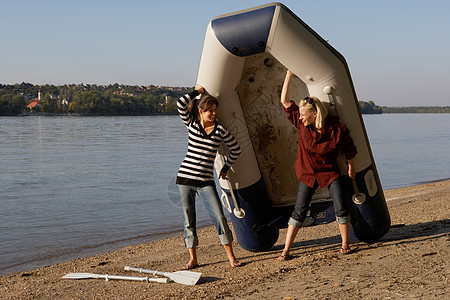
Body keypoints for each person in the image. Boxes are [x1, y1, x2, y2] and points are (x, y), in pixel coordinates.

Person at [277, 70, 357, 260]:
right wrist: (288, 76)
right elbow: (285, 102)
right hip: (308, 173)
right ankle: (286, 250)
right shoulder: (302, 124)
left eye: (305, 115)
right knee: (299, 210)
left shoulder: (336, 128)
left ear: (315, 114)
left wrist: (351, 167)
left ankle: (345, 244)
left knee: (341, 207)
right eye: (301, 115)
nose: (301, 118)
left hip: (330, 172)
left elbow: (349, 147)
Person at [176, 84, 242, 268]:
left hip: (206, 182)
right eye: (210, 111)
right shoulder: (192, 123)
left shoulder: (220, 130)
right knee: (189, 220)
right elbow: (180, 103)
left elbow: (236, 149)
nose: (213, 114)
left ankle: (231, 257)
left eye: (214, 110)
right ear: (201, 110)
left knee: (219, 217)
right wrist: (198, 92)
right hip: (184, 180)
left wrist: (225, 168)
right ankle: (193, 259)